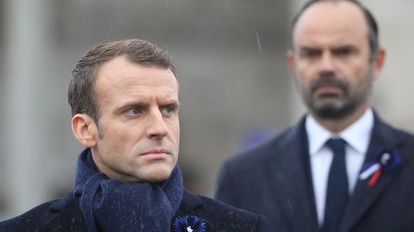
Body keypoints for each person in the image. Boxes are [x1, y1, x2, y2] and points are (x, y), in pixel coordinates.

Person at [215, 0, 414, 232]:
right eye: (311, 53)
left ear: (376, 61)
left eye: (344, 52)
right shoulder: (244, 176)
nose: (326, 67)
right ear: (293, 64)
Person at [0, 39, 268, 232]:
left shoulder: (240, 227)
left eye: (168, 109)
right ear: (85, 129)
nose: (159, 127)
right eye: (134, 111)